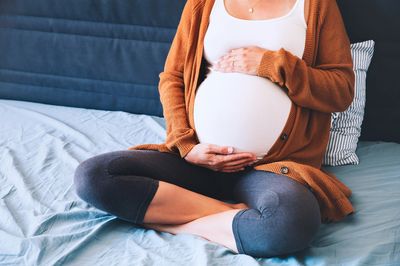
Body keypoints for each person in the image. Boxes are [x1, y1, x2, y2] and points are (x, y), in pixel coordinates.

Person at [74, 0, 355, 258]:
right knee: (95, 176)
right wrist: (186, 147)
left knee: (291, 223)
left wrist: (272, 64)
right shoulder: (203, 3)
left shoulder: (316, 5)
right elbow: (172, 78)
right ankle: (231, 215)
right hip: (198, 162)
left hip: (271, 168)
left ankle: (175, 219)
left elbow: (341, 91)